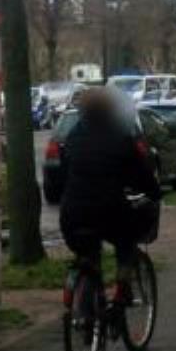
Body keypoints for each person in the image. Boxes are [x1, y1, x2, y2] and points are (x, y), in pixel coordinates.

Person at [59, 88, 161, 294]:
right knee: (126, 241)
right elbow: (141, 173)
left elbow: (63, 173)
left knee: (87, 252)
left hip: (72, 215)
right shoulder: (120, 136)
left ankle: (83, 291)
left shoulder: (72, 137)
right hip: (110, 211)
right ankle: (122, 287)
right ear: (110, 111)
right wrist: (154, 193)